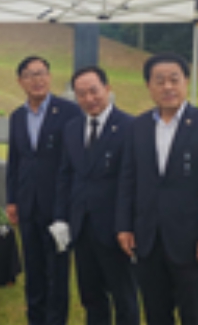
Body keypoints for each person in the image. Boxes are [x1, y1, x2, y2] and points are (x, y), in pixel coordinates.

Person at [116, 53, 198, 325]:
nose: (167, 87)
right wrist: (124, 226)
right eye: (159, 81)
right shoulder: (138, 127)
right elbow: (128, 180)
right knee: (156, 314)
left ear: (186, 82)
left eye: (174, 79)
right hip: (148, 240)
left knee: (194, 316)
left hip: (192, 242)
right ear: (149, 86)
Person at [53, 66, 139, 325]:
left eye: (94, 91)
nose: (89, 99)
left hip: (116, 229)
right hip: (81, 227)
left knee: (124, 296)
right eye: (81, 94)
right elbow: (65, 175)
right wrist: (61, 218)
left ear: (107, 89)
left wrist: (128, 225)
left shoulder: (130, 127)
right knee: (91, 296)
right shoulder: (71, 128)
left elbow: (134, 181)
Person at [6, 55, 81, 325]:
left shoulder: (70, 112)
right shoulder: (17, 117)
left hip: (58, 206)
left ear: (49, 77)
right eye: (30, 75)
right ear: (20, 81)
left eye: (41, 73)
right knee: (34, 269)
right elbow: (14, 161)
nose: (37, 80)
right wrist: (12, 199)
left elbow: (75, 161)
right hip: (28, 205)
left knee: (57, 271)